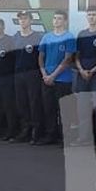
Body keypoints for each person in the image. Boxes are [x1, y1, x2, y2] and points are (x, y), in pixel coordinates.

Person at [37, 10, 76, 146]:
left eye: (59, 19)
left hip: (63, 79)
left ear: (65, 21)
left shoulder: (69, 37)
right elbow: (41, 57)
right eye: (54, 18)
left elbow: (68, 59)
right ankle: (51, 135)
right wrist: (44, 74)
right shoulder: (46, 37)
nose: (56, 21)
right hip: (47, 79)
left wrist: (53, 76)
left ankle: (66, 137)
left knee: (64, 110)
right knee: (49, 108)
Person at [73, 7, 96, 147]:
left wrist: (92, 71)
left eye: (94, 15)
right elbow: (76, 57)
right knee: (82, 108)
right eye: (89, 15)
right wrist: (82, 70)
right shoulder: (82, 34)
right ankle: (84, 138)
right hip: (82, 75)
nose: (91, 17)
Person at [10, 11, 45, 143]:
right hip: (18, 74)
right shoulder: (16, 37)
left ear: (31, 20)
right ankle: (25, 130)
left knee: (34, 102)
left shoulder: (37, 37)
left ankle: (36, 131)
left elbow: (41, 56)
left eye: (25, 18)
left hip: (33, 74)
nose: (22, 21)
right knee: (21, 103)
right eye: (20, 19)